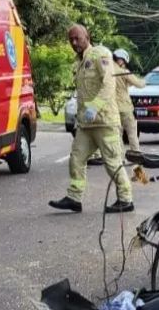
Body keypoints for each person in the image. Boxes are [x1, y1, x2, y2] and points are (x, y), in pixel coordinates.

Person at [48, 24, 133, 214]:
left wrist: (95, 106)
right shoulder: (79, 62)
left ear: (87, 36)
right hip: (86, 124)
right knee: (76, 159)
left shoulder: (99, 53)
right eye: (71, 39)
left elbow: (109, 83)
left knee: (112, 163)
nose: (74, 42)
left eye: (77, 38)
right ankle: (74, 198)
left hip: (105, 121)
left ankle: (126, 199)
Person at [112, 48, 146, 160]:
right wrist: (144, 80)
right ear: (121, 60)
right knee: (132, 137)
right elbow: (140, 84)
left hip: (113, 109)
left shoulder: (108, 71)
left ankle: (120, 161)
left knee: (117, 137)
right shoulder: (124, 72)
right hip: (126, 108)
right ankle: (137, 163)